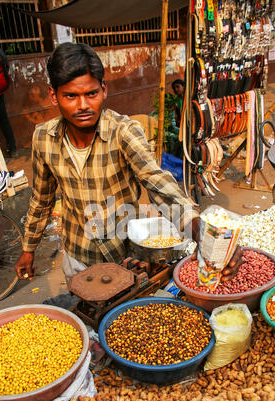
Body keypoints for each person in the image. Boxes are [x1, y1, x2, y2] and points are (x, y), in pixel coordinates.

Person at [15, 42, 241, 288]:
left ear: (103, 90)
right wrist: (29, 249)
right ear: (53, 95)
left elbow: (157, 181)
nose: (82, 106)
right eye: (71, 96)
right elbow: (41, 199)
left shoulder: (123, 132)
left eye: (90, 94)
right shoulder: (43, 138)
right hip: (77, 257)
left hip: (123, 258)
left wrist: (197, 227)